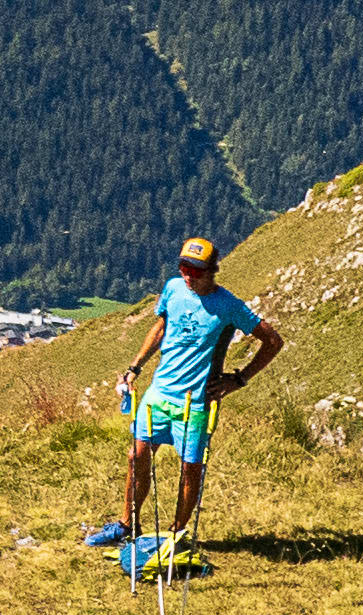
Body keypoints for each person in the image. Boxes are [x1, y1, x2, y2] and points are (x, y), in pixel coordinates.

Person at [94, 235, 278, 568]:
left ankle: (177, 536)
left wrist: (239, 379)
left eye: (196, 270)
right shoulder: (174, 289)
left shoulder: (229, 306)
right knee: (136, 456)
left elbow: (272, 341)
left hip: (194, 403)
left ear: (213, 271)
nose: (188, 276)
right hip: (159, 392)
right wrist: (135, 368)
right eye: (183, 268)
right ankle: (127, 526)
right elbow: (161, 326)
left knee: (189, 470)